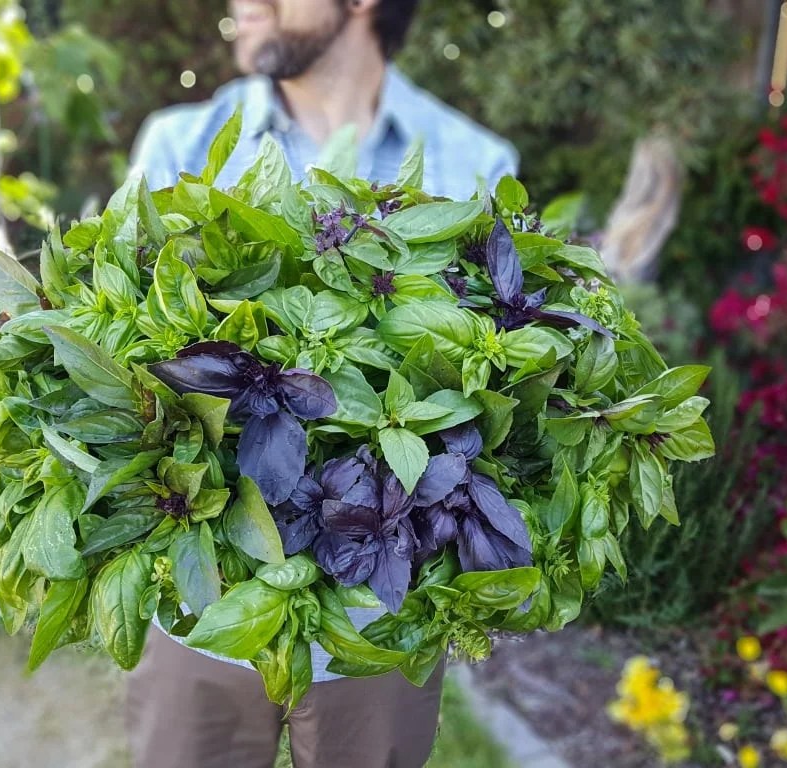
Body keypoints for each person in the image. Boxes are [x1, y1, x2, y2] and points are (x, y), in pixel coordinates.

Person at [125, 2, 519, 767]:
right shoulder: (178, 146)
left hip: (374, 619)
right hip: (202, 613)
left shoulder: (473, 165)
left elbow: (507, 406)